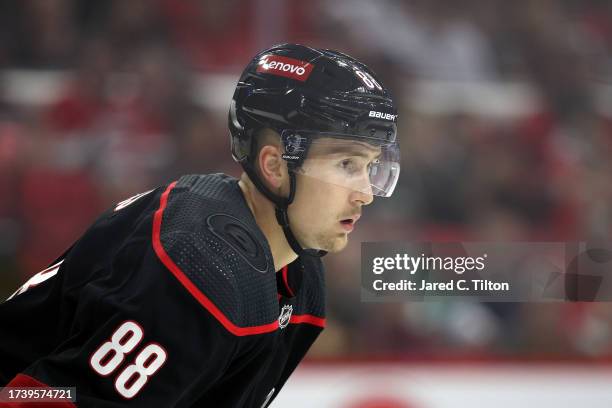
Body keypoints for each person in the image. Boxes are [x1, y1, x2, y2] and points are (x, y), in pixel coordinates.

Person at [0, 43, 400, 407]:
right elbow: (38, 399)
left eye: (370, 167)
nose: (365, 192)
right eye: (347, 164)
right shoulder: (199, 263)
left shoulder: (302, 277)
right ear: (275, 165)